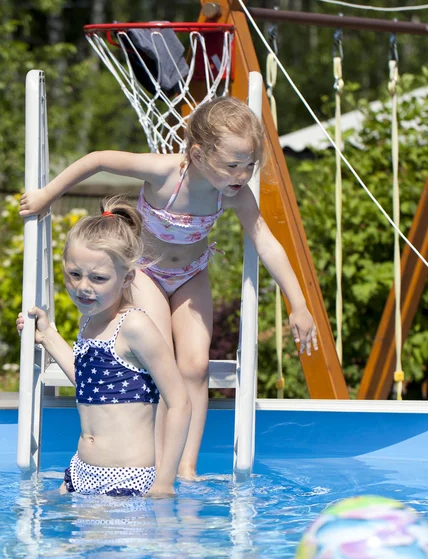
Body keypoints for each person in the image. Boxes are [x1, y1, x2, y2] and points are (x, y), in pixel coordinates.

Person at [19, 96, 319, 479]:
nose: (242, 175)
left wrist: (298, 303)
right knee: (158, 364)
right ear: (197, 153)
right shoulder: (164, 172)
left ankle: (186, 466)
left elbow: (265, 241)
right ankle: (158, 463)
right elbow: (97, 159)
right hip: (146, 273)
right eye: (232, 165)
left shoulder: (235, 194)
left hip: (192, 274)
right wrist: (48, 194)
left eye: (249, 165)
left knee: (194, 366)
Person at [17, 197, 191, 497]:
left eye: (98, 278)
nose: (83, 287)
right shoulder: (91, 320)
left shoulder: (134, 326)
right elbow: (88, 382)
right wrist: (47, 336)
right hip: (80, 470)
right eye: (74, 274)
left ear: (127, 277)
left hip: (125, 476)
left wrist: (165, 480)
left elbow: (179, 402)